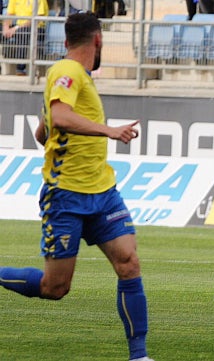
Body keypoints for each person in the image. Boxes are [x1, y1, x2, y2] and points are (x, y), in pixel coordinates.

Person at [0, 13, 153, 361]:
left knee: (129, 263)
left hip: (102, 192)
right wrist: (110, 130)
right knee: (55, 288)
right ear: (98, 41)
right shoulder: (67, 71)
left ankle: (139, 356)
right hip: (66, 196)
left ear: (67, 39)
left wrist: (51, 132)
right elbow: (62, 116)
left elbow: (45, 130)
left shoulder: (74, 76)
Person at [2, 0, 48, 76]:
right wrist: (6, 28)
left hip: (37, 29)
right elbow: (9, 14)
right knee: (19, 32)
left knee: (22, 32)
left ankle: (20, 68)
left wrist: (15, 28)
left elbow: (38, 18)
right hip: (19, 29)